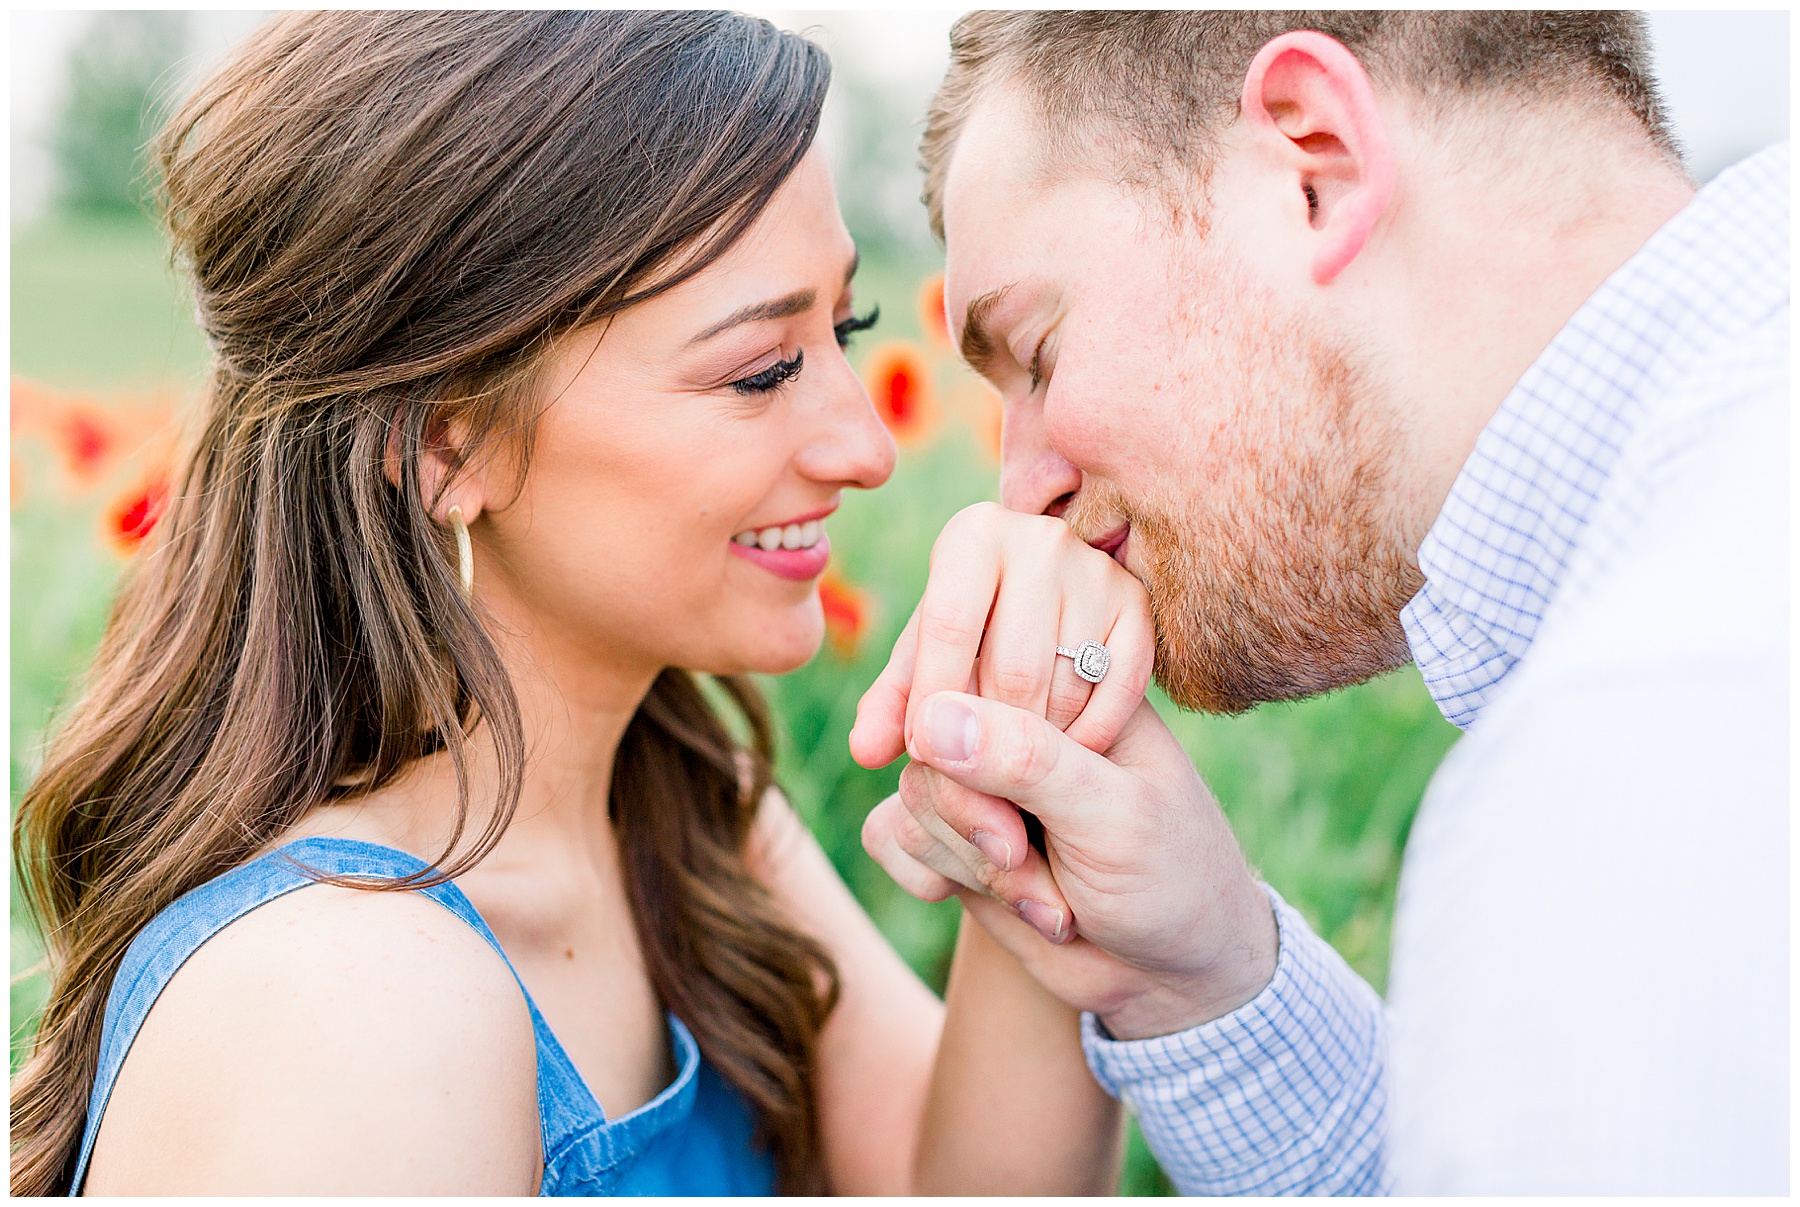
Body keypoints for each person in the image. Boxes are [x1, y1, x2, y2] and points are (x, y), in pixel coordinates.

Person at [6, 11, 1139, 1196]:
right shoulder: (345, 1005)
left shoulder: (683, 816)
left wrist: (1031, 757)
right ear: (449, 441)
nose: (866, 446)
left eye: (843, 328)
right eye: (760, 371)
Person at [854, 10, 1787, 1195]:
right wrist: (1199, 975)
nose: (1020, 488)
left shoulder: (1646, 740)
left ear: (1316, 166)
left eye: (1038, 352)